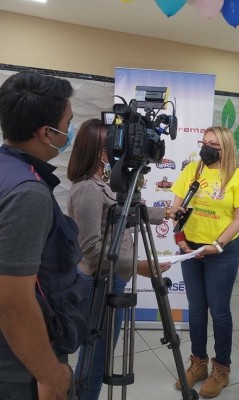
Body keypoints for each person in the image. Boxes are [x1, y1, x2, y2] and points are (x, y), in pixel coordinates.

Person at [67, 118, 182, 400]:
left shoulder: (102, 182)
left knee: (102, 352)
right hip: (99, 284)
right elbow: (92, 247)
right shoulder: (86, 190)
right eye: (113, 143)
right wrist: (138, 267)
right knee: (96, 357)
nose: (119, 148)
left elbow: (123, 211)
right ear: (98, 150)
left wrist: (162, 214)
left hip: (112, 280)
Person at [0, 71, 89, 400]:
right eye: (68, 123)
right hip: (19, 368)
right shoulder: (27, 193)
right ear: (46, 133)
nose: (69, 131)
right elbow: (13, 302)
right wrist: (49, 375)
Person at [171, 126, 239, 398]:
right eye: (203, 142)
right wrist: (181, 238)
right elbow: (176, 209)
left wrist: (218, 244)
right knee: (196, 308)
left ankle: (222, 369)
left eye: (213, 144)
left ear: (225, 148)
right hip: (190, 248)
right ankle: (198, 363)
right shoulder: (192, 171)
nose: (205, 148)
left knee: (219, 311)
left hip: (223, 250)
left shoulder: (238, 176)